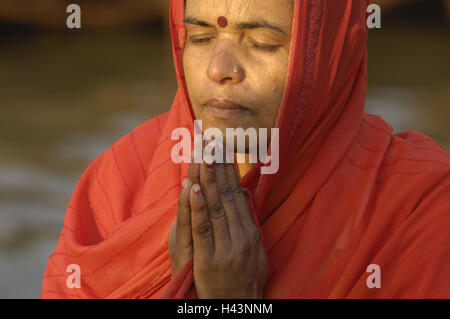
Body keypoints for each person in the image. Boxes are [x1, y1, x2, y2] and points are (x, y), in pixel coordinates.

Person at [41, 0, 450, 299]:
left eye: (262, 43)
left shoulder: (421, 207)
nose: (218, 69)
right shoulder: (118, 181)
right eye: (200, 37)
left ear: (327, 55)